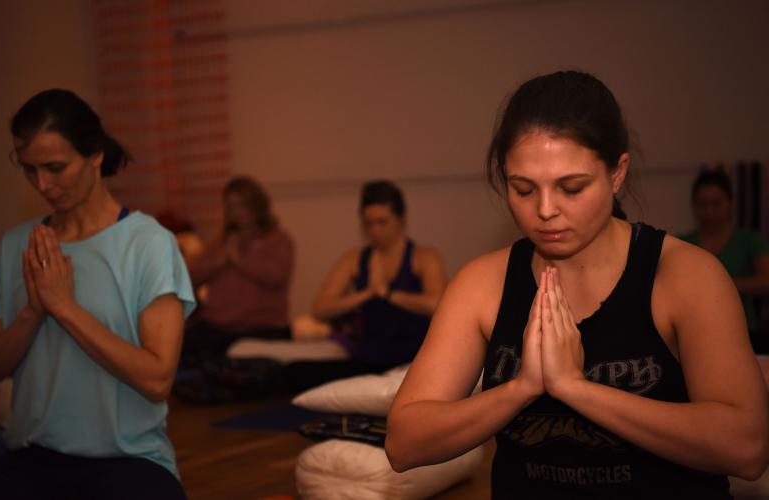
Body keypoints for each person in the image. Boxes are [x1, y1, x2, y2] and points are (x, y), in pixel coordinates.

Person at [385, 71, 768, 499]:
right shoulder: (483, 283)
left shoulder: (684, 275)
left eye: (572, 187)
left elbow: (746, 447)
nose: (545, 210)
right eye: (523, 189)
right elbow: (404, 443)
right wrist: (521, 388)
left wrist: (576, 388)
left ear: (617, 173)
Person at [0, 89, 195, 500]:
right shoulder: (17, 244)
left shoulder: (148, 244)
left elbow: (157, 379)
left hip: (128, 463)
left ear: (95, 154)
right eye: (29, 169)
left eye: (55, 167)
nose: (43, 184)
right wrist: (33, 312)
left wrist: (64, 307)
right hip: (31, 460)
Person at [286, 180, 446, 390]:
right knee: (295, 372)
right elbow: (320, 309)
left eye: (382, 222)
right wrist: (367, 293)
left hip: (412, 361)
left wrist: (388, 294)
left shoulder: (424, 257)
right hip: (368, 361)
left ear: (400, 218)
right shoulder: (354, 259)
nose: (375, 230)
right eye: (369, 223)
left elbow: (437, 304)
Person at [181, 176, 294, 367]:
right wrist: (219, 262)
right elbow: (189, 276)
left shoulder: (278, 240)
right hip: (217, 326)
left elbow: (277, 276)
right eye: (231, 207)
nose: (238, 213)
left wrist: (240, 260)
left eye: (243, 206)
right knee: (179, 347)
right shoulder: (222, 242)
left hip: (262, 327)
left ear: (257, 206)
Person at [680, 168, 769, 352]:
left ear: (730, 203)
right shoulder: (681, 243)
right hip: (694, 333)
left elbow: (765, 281)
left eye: (716, 204)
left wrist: (722, 284)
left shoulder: (749, 240)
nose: (709, 212)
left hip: (743, 332)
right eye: (702, 205)